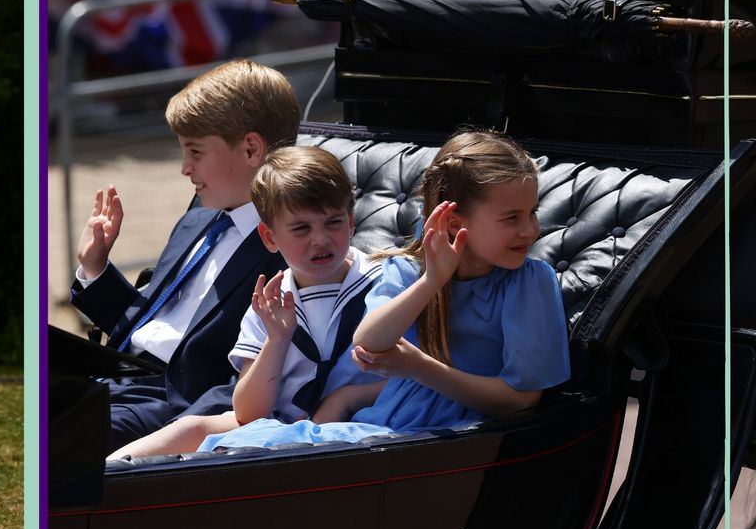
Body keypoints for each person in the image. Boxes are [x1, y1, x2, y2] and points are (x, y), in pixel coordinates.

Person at [199, 130, 571, 452]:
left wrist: (421, 368)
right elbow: (369, 343)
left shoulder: (529, 283)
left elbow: (521, 400)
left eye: (532, 213)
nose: (531, 230)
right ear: (455, 223)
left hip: (448, 435)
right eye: (512, 218)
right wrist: (431, 282)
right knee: (235, 445)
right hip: (382, 424)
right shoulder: (409, 271)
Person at [71, 59, 300, 450]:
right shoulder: (199, 218)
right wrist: (96, 268)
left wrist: (183, 432)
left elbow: (248, 376)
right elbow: (149, 322)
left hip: (170, 403)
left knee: (61, 433)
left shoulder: (287, 248)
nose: (184, 168)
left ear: (250, 149)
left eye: (195, 152)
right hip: (119, 374)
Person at [109, 146, 385, 459]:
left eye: (333, 223)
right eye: (301, 228)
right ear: (270, 238)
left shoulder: (383, 282)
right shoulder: (271, 301)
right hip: (276, 424)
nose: (320, 239)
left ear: (350, 221)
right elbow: (249, 412)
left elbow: (414, 377)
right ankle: (105, 485)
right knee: (190, 428)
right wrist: (277, 341)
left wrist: (347, 398)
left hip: (360, 426)